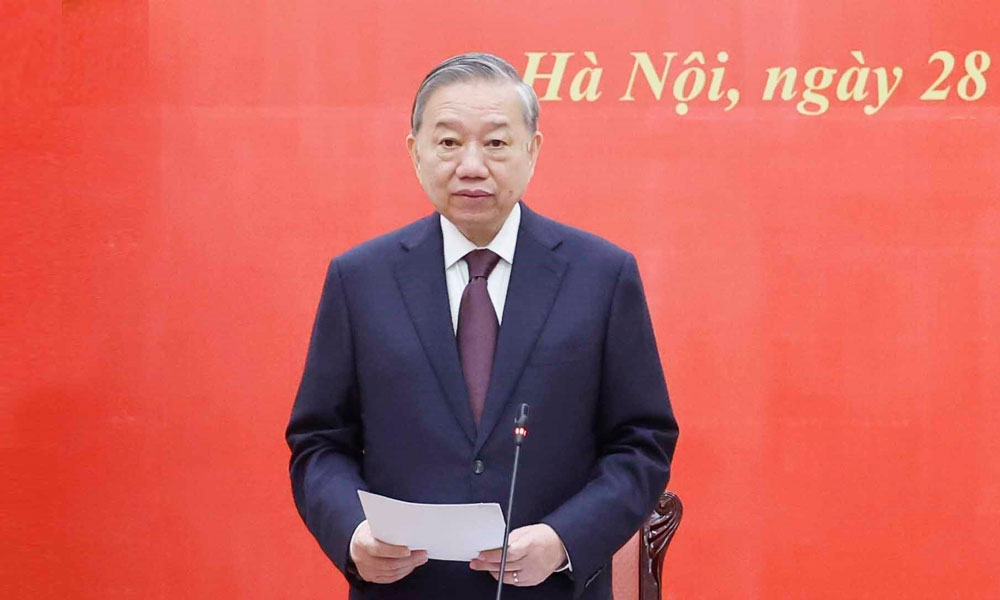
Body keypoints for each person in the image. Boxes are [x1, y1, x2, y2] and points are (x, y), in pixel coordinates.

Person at [285, 52, 678, 600]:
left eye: (495, 142)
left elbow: (642, 442)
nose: (471, 165)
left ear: (532, 150)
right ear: (415, 151)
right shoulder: (360, 279)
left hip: (551, 590)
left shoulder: (602, 275)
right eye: (448, 142)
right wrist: (353, 534)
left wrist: (563, 540)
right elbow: (319, 442)